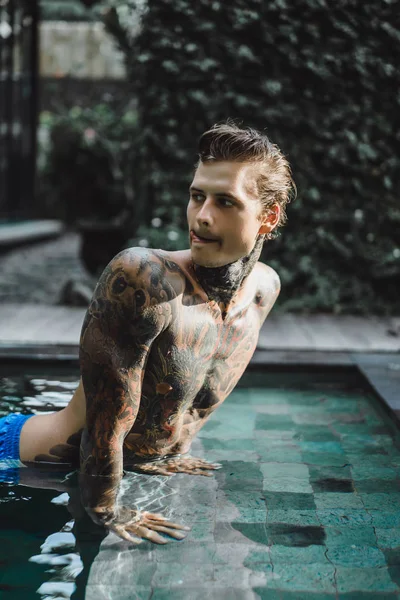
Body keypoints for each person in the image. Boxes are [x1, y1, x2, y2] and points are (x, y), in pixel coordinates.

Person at [0, 122, 295, 544]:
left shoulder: (265, 289)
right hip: (19, 463)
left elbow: (184, 403)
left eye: (225, 201)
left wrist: (169, 452)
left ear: (268, 217)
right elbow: (104, 432)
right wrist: (107, 509)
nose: (201, 216)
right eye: (197, 196)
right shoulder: (145, 280)